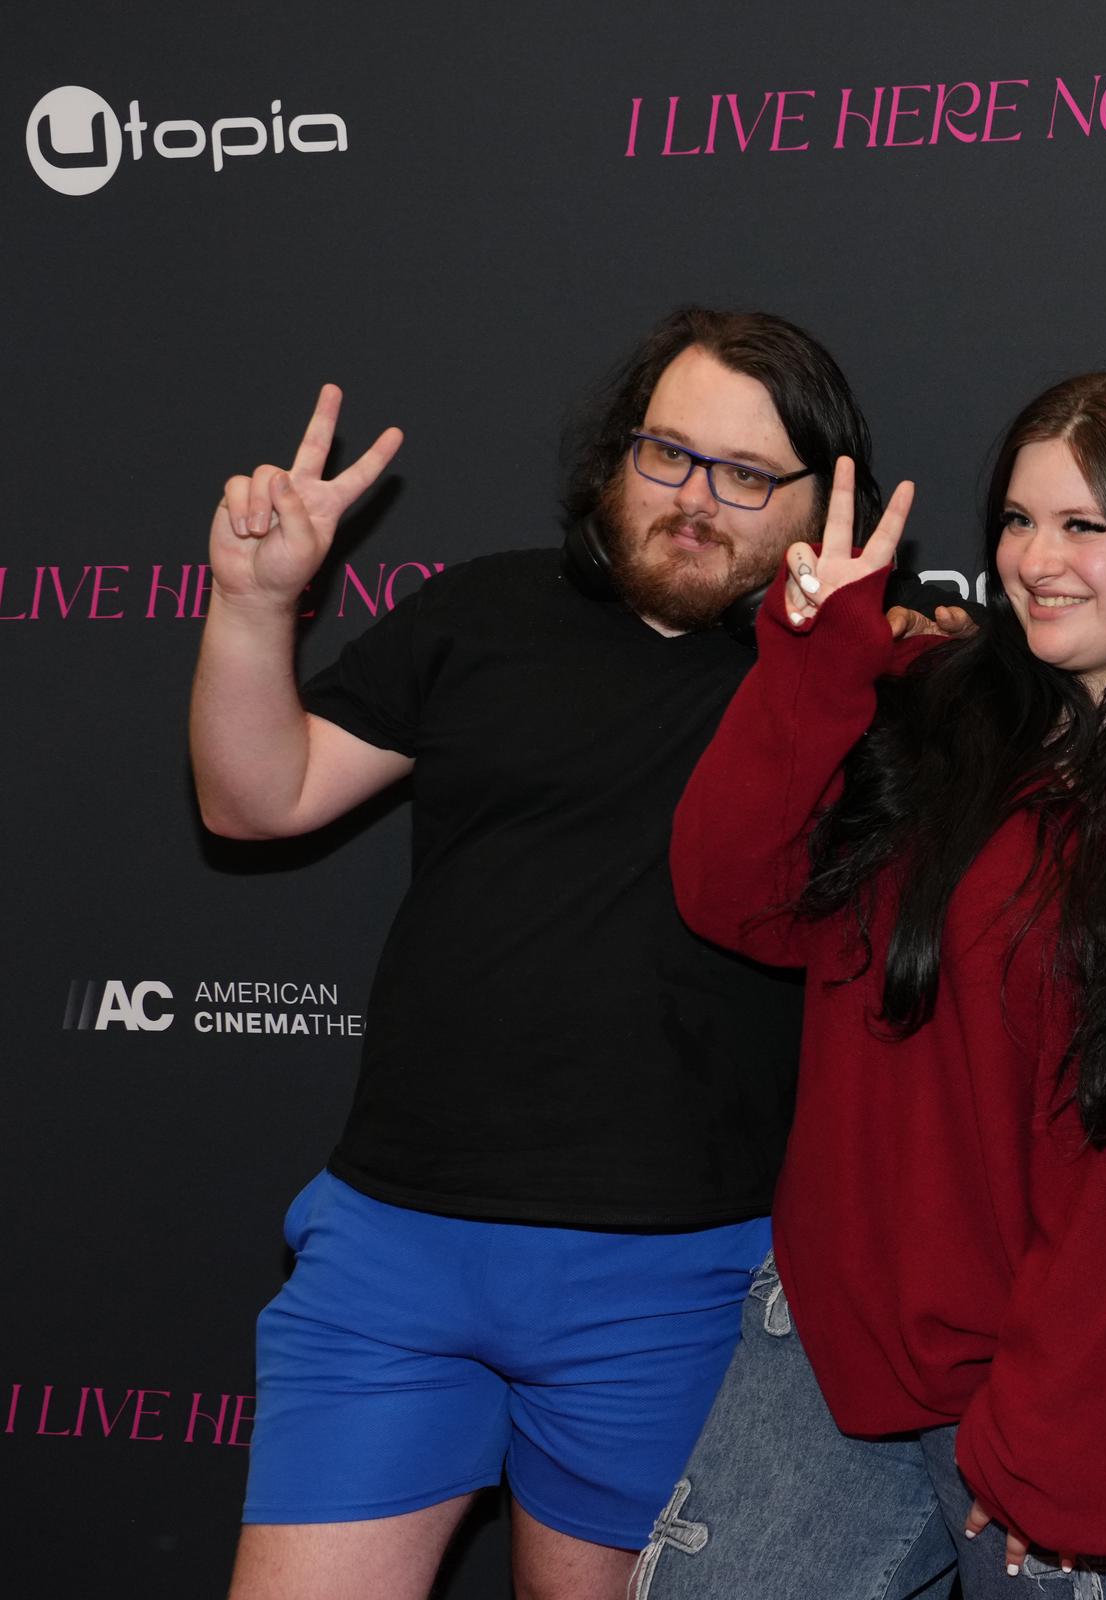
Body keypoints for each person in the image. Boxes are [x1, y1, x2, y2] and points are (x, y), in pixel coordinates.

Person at [192, 308, 929, 1600]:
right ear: (616, 453)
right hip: (394, 1248)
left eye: (746, 475)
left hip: (672, 1277)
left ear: (824, 504)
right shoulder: (483, 610)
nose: (695, 499)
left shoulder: (861, 689)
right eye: (668, 454)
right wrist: (252, 607)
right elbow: (259, 797)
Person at [639, 372, 1106, 1598]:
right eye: (1016, 519)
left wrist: (1064, 1452)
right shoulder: (931, 707)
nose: (1035, 560)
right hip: (836, 1336)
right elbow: (732, 891)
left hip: (1078, 1383)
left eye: (1083, 525)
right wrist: (814, 662)